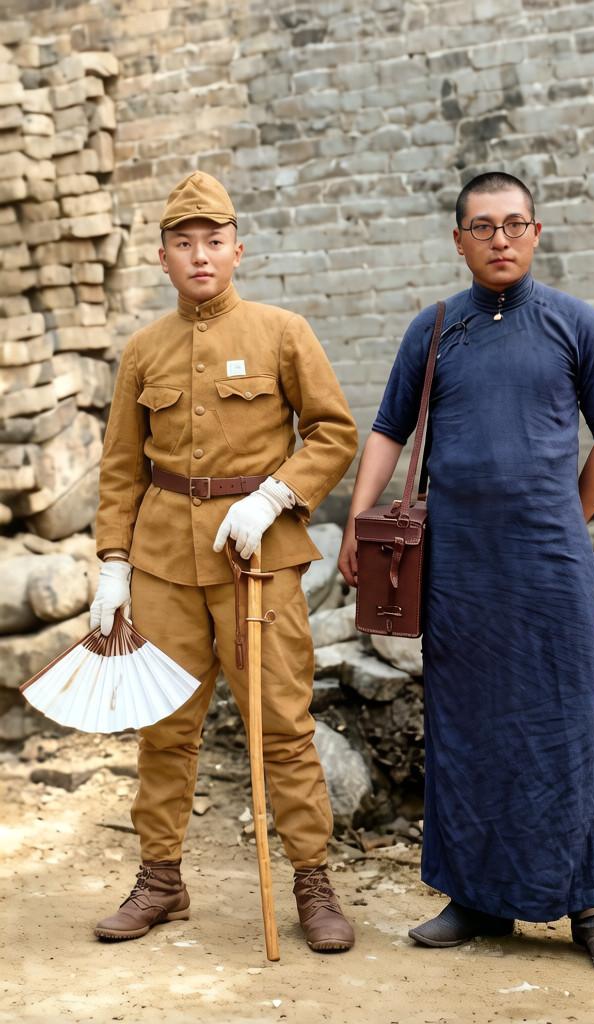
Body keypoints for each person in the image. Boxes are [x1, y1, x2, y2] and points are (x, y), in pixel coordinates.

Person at [338, 171, 594, 971]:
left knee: (568, 728)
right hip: (457, 567)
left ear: (536, 233)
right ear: (459, 239)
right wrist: (357, 523)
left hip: (552, 568)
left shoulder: (576, 323)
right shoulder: (434, 330)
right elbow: (387, 431)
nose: (500, 239)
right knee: (466, 728)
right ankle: (474, 899)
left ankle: (592, 904)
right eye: (483, 226)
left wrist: (564, 519)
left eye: (514, 225)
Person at [90, 171, 358, 953]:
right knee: (163, 728)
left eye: (213, 242)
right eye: (184, 244)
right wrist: (113, 564)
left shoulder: (281, 332)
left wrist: (275, 496)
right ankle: (161, 879)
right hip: (165, 562)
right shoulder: (143, 351)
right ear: (163, 257)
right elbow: (120, 470)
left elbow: (334, 432)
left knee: (282, 725)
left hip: (258, 560)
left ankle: (313, 882)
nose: (200, 256)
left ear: (238, 249)